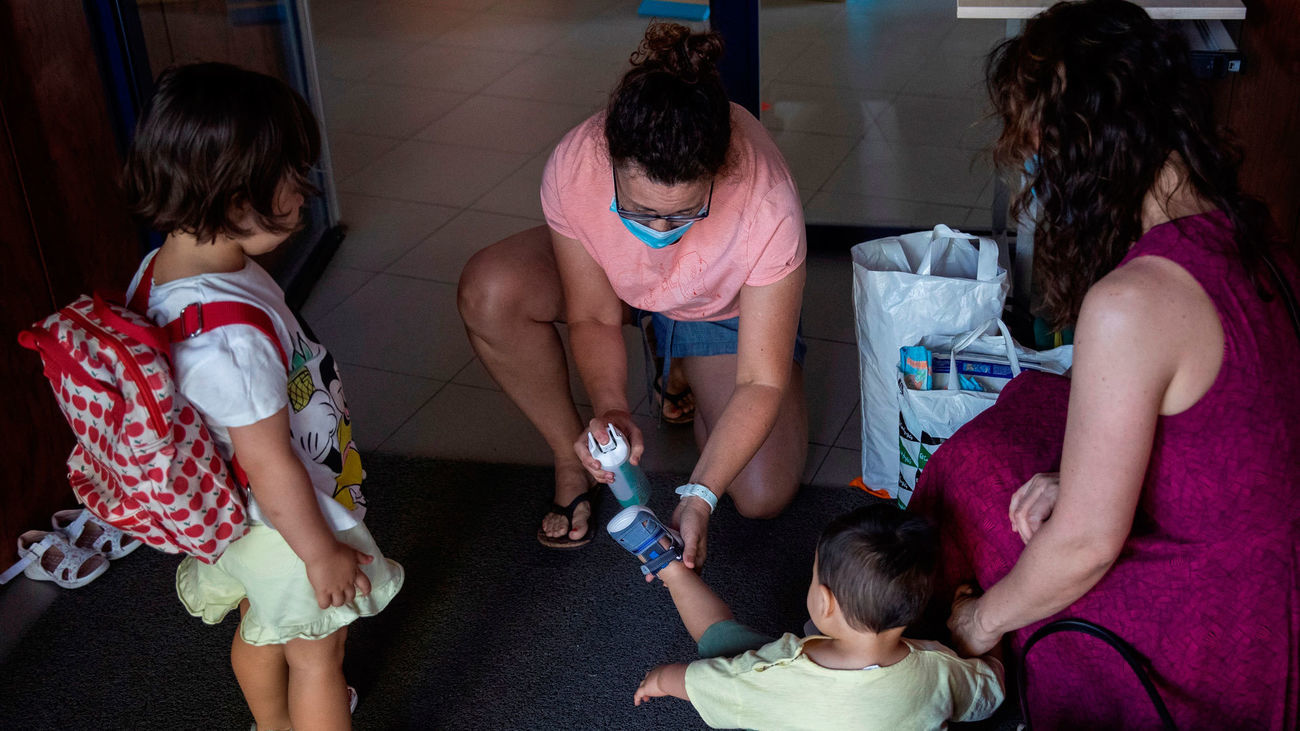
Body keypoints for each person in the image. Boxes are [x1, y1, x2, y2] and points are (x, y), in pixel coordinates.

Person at [908, 1, 1300, 727]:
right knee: (1031, 414)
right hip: (1273, 593)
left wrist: (977, 624)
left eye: (1037, 148)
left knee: (974, 480)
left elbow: (1087, 546)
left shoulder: (1134, 302)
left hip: (1213, 645)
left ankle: (961, 659)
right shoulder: (1253, 227)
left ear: (1082, 151)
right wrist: (1078, 479)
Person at [458, 22, 808, 564]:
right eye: (640, 212)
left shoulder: (768, 201)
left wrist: (699, 494)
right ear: (611, 161)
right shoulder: (578, 163)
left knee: (762, 495)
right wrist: (612, 408)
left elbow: (761, 381)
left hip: (719, 306)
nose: (661, 231)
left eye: (685, 213)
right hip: (616, 284)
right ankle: (571, 455)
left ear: (719, 172)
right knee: (490, 290)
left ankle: (684, 351)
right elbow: (593, 315)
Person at [122, 63, 404, 731]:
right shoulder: (230, 343)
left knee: (260, 625)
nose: (306, 194)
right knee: (318, 653)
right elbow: (271, 462)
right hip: (284, 522)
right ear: (232, 197)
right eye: (292, 179)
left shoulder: (172, 270)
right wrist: (319, 553)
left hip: (237, 519)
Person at [624, 503, 1005, 729]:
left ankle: (672, 571)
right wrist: (993, 647)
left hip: (786, 695)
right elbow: (990, 690)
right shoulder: (939, 667)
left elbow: (710, 682)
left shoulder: (776, 673)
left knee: (722, 642)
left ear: (824, 602)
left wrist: (661, 679)